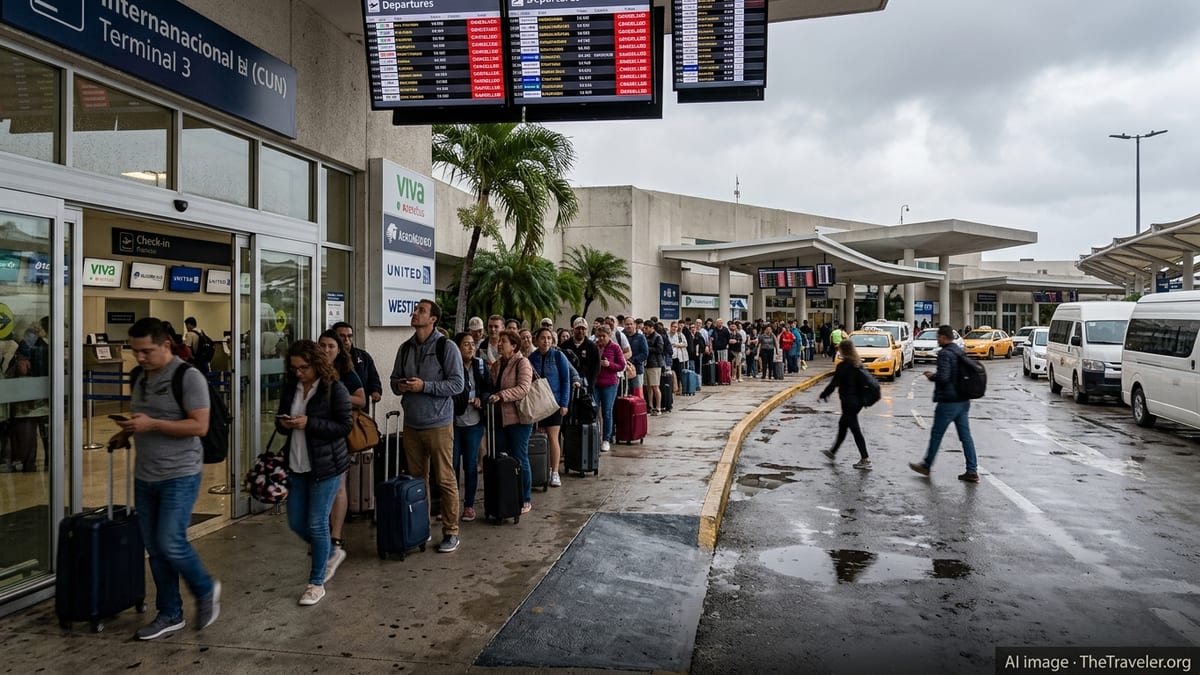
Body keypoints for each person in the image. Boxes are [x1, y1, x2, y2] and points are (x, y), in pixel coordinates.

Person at [108, 317, 220, 639]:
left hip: (180, 474)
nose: (139, 357)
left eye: (146, 351)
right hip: (146, 475)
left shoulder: (188, 377)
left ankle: (205, 588)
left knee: (171, 540)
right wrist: (127, 433)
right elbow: (143, 418)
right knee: (156, 549)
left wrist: (152, 424)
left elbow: (199, 426)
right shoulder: (138, 376)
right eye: (135, 351)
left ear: (166, 345)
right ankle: (170, 613)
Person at [275, 339, 352, 606]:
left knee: (317, 523)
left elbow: (344, 426)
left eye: (304, 368)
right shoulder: (291, 388)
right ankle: (331, 552)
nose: (299, 373)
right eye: (294, 368)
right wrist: (285, 424)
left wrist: (310, 423)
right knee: (297, 522)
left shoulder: (334, 389)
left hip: (326, 465)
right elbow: (280, 421)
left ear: (317, 364)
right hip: (296, 463)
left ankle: (316, 583)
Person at [390, 299, 465, 553]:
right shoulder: (405, 348)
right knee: (417, 481)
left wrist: (425, 386)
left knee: (444, 479)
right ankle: (420, 529)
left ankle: (451, 532)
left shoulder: (447, 347)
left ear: (433, 319)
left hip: (439, 424)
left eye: (421, 310)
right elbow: (393, 381)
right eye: (415, 309)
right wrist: (400, 385)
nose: (415, 313)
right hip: (412, 424)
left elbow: (457, 384)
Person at [910, 325, 980, 482]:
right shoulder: (959, 351)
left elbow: (944, 377)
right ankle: (972, 470)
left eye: (938, 336)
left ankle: (926, 465)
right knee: (966, 436)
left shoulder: (944, 354)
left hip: (948, 402)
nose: (937, 339)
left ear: (943, 337)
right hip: (963, 400)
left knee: (936, 434)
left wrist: (931, 376)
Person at [319, 329, 366, 556]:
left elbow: (361, 399)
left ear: (339, 350)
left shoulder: (346, 371)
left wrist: (338, 396)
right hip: (316, 435)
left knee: (338, 486)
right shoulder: (311, 370)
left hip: (339, 435)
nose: (326, 350)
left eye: (331, 346)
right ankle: (321, 536)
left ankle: (335, 537)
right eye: (322, 345)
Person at [487, 330, 534, 514]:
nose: (499, 344)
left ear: (514, 346)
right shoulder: (497, 364)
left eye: (504, 341)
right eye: (499, 341)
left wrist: (501, 395)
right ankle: (507, 495)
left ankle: (525, 498)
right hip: (499, 419)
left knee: (520, 457)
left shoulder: (522, 362)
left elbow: (523, 388)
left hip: (519, 419)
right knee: (502, 458)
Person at [451, 331, 491, 522]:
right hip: (453, 422)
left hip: (474, 422)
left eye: (472, 344)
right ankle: (450, 505)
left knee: (471, 465)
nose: (470, 347)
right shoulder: (451, 366)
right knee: (452, 465)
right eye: (466, 344)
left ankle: (469, 505)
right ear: (457, 348)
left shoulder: (480, 365)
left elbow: (488, 389)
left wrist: (481, 399)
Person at [528, 327, 572, 488]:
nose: (546, 341)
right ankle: (542, 469)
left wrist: (564, 403)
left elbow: (566, 380)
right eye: (542, 338)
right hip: (538, 403)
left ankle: (555, 472)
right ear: (536, 340)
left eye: (548, 338)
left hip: (555, 403)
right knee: (540, 437)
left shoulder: (558, 356)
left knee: (554, 437)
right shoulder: (532, 357)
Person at [818, 341, 872, 469]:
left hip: (849, 402)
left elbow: (834, 383)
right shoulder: (858, 364)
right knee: (843, 425)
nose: (838, 351)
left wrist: (824, 394)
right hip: (857, 402)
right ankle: (833, 452)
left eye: (840, 349)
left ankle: (865, 458)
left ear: (844, 350)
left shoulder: (843, 366)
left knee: (855, 429)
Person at [332, 321, 383, 405]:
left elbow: (373, 378)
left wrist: (375, 391)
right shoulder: (330, 358)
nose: (346, 339)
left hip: (360, 407)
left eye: (349, 336)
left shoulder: (363, 356)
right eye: (342, 336)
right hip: (338, 405)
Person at [592, 325, 625, 452]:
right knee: (594, 410)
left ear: (609, 336)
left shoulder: (615, 347)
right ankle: (595, 436)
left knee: (607, 411)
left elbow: (621, 365)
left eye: (603, 336)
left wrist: (609, 364)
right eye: (599, 336)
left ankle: (606, 438)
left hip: (609, 384)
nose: (601, 339)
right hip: (596, 383)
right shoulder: (594, 346)